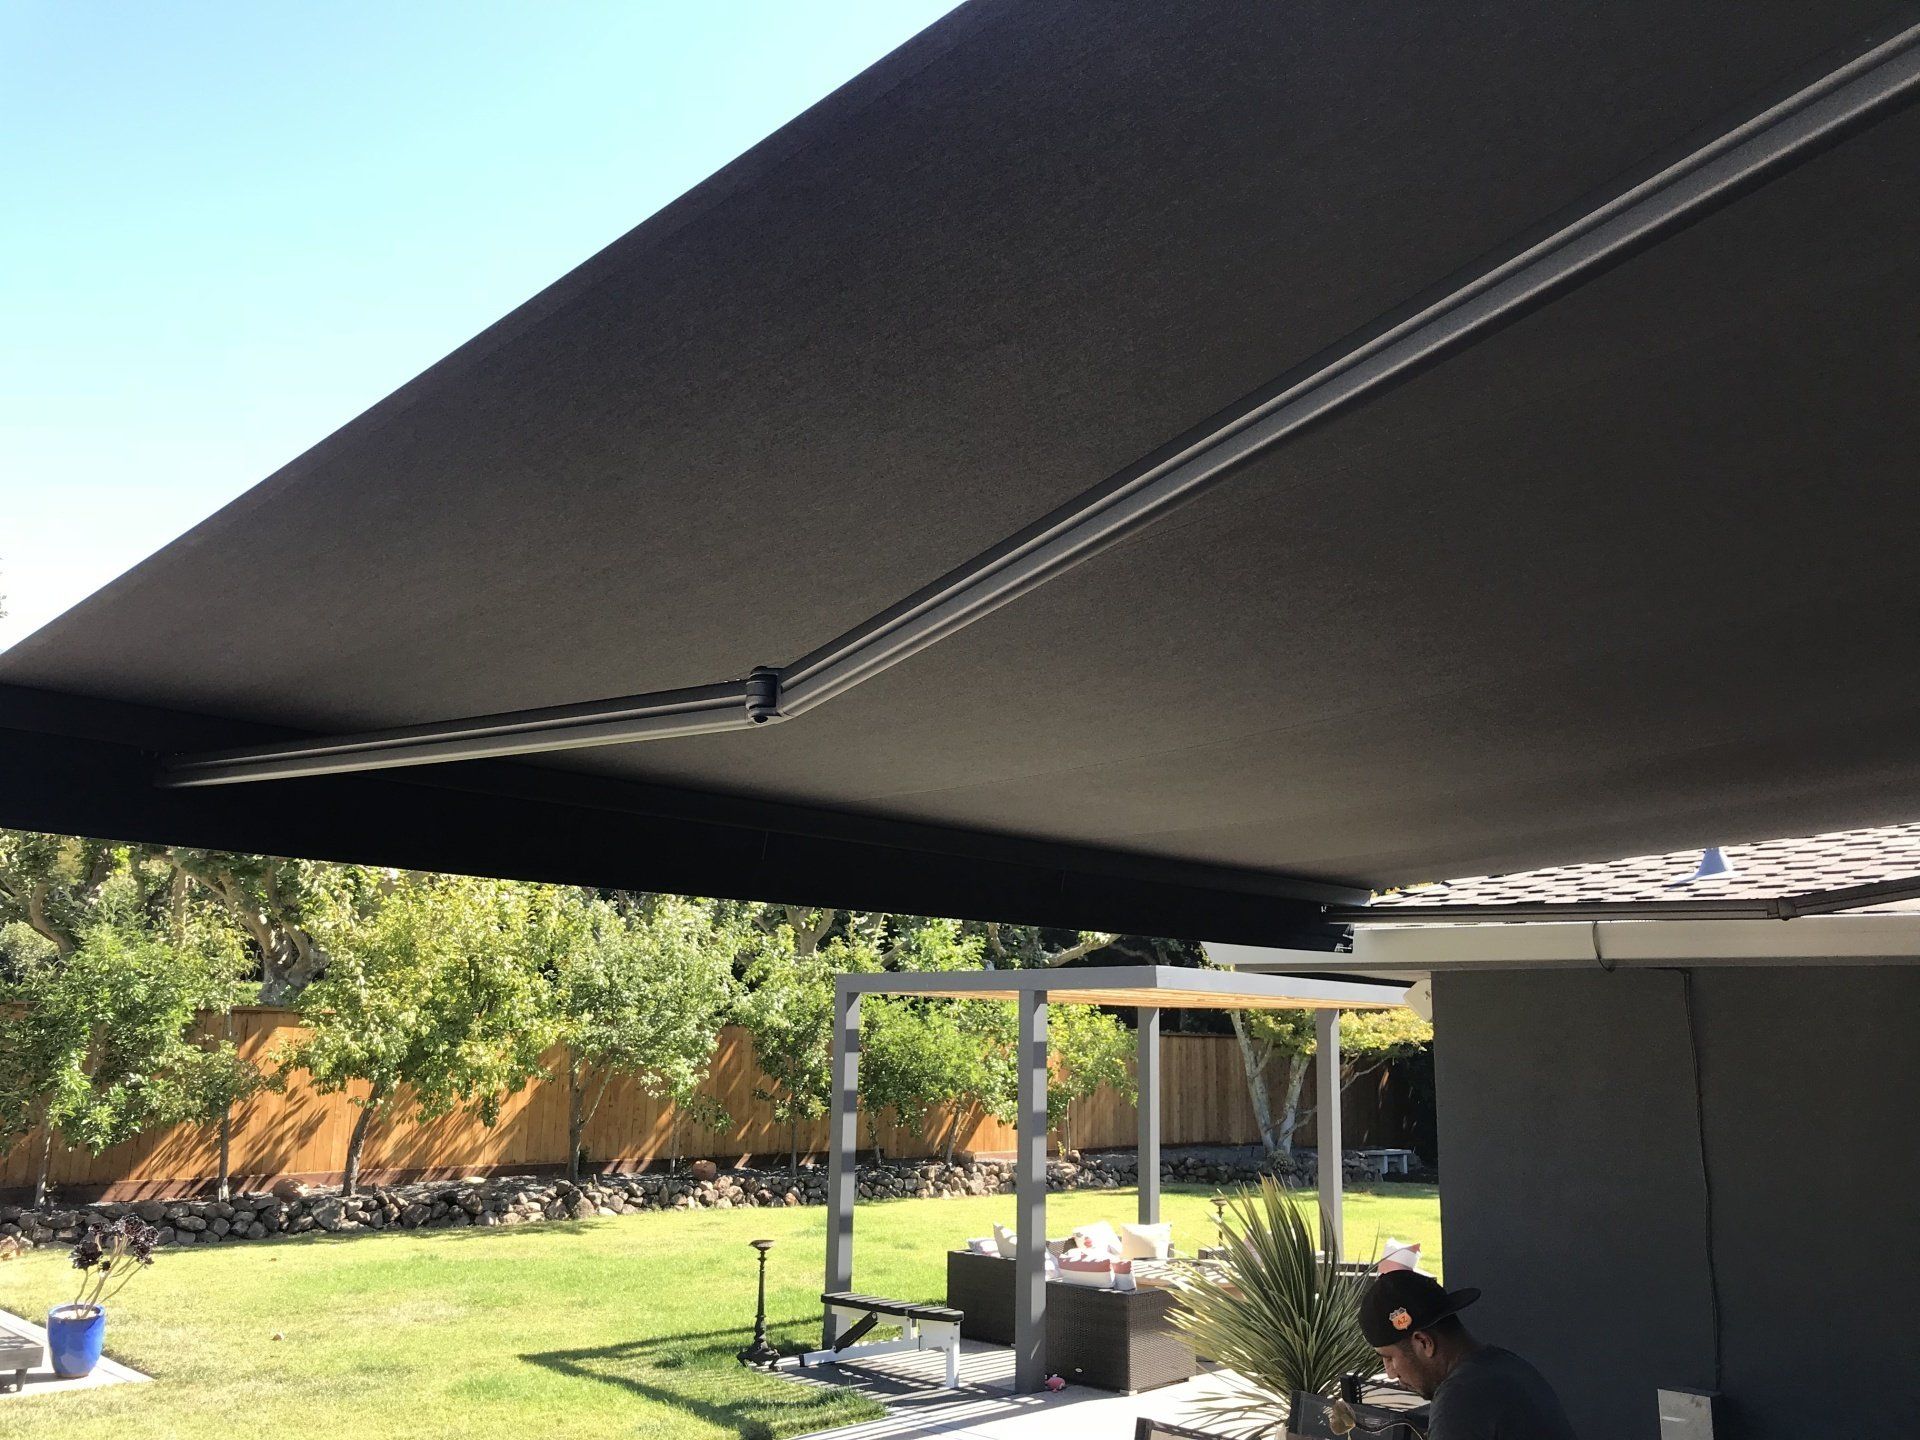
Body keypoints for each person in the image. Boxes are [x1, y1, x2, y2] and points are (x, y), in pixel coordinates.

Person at [1358, 1269, 1576, 1439]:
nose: (1390, 1373)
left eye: (1389, 1358)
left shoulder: (1460, 1400)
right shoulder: (1505, 1366)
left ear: (1424, 1342)